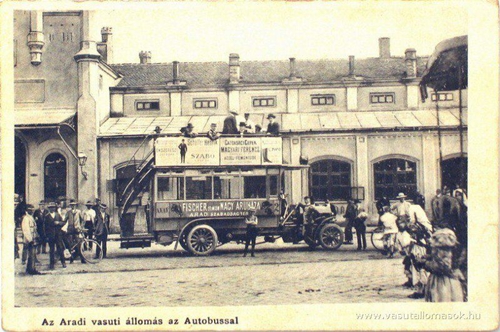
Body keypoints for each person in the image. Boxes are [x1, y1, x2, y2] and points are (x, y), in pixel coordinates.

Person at [424, 229, 465, 302]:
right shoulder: (451, 250)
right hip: (452, 279)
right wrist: (429, 257)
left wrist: (425, 263)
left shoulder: (442, 249)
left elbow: (442, 267)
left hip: (442, 281)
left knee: (442, 299)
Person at [45, 202, 67, 269]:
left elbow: (63, 222)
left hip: (58, 235)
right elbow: (45, 227)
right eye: (50, 208)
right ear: (49, 209)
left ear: (55, 208)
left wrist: (58, 223)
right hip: (51, 236)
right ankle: (52, 264)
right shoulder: (46, 216)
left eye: (53, 207)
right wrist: (47, 236)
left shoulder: (58, 215)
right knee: (51, 250)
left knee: (60, 248)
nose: (52, 209)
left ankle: (63, 262)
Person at [21, 204, 41, 275]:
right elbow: (26, 230)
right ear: (27, 210)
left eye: (32, 210)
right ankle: (30, 270)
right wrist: (30, 240)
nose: (32, 211)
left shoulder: (30, 217)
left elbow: (34, 228)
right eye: (30, 210)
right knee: (31, 255)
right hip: (30, 240)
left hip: (33, 238)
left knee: (32, 255)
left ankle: (31, 269)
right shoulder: (26, 218)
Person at [64, 199, 85, 264]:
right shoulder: (68, 212)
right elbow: (65, 220)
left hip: (77, 229)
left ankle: (82, 258)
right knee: (70, 245)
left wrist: (81, 227)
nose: (72, 206)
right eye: (71, 205)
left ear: (75, 205)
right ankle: (71, 258)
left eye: (74, 205)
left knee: (79, 244)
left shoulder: (79, 212)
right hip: (70, 229)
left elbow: (82, 220)